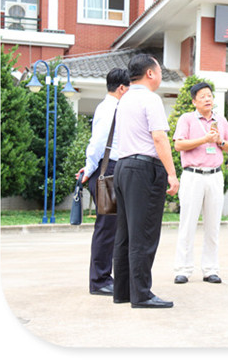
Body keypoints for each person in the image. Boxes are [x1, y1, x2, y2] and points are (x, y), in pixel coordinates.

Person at [112, 54, 179, 309]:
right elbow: (159, 138)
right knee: (144, 234)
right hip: (143, 169)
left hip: (123, 167)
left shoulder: (124, 99)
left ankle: (123, 292)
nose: (160, 74)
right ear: (150, 73)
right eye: (159, 70)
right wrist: (172, 173)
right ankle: (141, 294)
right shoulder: (150, 99)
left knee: (125, 234)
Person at [173, 82, 228, 285]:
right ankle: (183, 269)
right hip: (193, 175)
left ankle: (211, 269)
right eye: (202, 96)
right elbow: (179, 144)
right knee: (188, 223)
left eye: (209, 95)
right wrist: (204, 139)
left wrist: (219, 141)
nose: (208, 99)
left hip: (215, 175)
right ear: (194, 101)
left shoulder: (220, 120)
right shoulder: (187, 119)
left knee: (213, 225)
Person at [77, 68, 130, 296]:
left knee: (112, 226)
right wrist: (89, 169)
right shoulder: (110, 108)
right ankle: (99, 280)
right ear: (121, 88)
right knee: (107, 227)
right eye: (129, 88)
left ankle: (104, 277)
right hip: (108, 171)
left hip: (108, 169)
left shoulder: (108, 107)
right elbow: (97, 144)